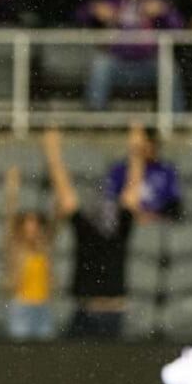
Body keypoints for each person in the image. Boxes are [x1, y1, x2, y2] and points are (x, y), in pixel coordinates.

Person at [45, 126, 142, 339]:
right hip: (85, 312)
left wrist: (136, 149)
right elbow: (64, 193)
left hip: (113, 314)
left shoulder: (121, 228)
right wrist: (53, 152)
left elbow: (133, 187)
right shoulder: (85, 230)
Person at [79, 0, 185, 112]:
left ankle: (174, 119)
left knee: (168, 67)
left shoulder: (156, 3)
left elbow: (179, 26)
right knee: (100, 64)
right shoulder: (113, 2)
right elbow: (80, 15)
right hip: (117, 63)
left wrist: (165, 12)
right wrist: (93, 10)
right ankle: (96, 117)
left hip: (148, 63)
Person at [2, 165, 55, 341]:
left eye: (35, 225)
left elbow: (56, 216)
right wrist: (12, 188)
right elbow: (9, 217)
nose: (32, 229)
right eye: (28, 225)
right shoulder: (16, 248)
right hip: (21, 306)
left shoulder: (44, 248)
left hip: (43, 305)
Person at [104, 127, 180, 221]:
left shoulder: (166, 170)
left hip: (157, 222)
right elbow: (110, 202)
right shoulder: (119, 170)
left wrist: (152, 216)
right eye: (140, 144)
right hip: (126, 222)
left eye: (151, 143)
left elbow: (174, 206)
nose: (147, 147)